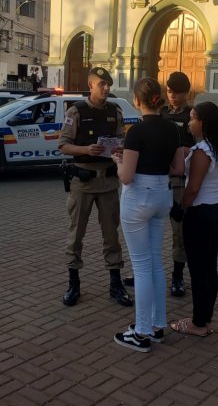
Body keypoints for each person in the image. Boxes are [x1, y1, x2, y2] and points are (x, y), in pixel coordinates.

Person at [112, 77, 185, 353]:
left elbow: (127, 177)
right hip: (162, 194)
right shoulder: (172, 129)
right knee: (155, 263)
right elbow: (178, 167)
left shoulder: (136, 132)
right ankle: (156, 326)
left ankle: (141, 332)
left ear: (137, 100)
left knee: (142, 267)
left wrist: (118, 161)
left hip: (138, 197)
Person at [58, 67, 133, 308]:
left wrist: (119, 148)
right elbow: (63, 145)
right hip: (83, 182)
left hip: (109, 182)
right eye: (101, 84)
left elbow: (121, 138)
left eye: (108, 84)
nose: (106, 88)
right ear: (90, 84)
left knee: (112, 235)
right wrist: (85, 150)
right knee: (76, 234)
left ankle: (115, 283)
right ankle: (74, 283)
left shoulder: (115, 110)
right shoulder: (76, 111)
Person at [123, 71, 194, 297]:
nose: (173, 97)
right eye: (170, 92)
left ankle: (177, 275)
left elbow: (200, 149)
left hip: (176, 180)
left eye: (178, 93)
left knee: (179, 231)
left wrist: (185, 151)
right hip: (157, 177)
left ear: (186, 94)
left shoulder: (190, 116)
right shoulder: (160, 114)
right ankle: (143, 271)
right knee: (149, 235)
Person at [170, 102, 218, 337]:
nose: (189, 122)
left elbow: (193, 188)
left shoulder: (202, 152)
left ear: (203, 123)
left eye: (193, 118)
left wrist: (181, 208)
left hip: (202, 214)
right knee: (209, 267)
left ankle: (198, 322)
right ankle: (205, 319)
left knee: (198, 271)